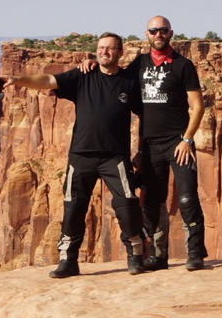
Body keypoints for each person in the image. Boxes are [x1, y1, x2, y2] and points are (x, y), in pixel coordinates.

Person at [0, 33, 145, 278]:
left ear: (119, 53)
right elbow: (48, 80)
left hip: (115, 157)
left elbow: (144, 118)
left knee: (127, 203)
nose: (104, 51)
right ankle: (68, 260)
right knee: (73, 207)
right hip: (81, 155)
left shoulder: (129, 82)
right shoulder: (82, 76)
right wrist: (17, 80)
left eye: (110, 48)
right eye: (100, 48)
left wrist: (141, 151)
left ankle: (135, 254)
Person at [82, 16, 208, 271]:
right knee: (152, 202)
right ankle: (159, 256)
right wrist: (93, 63)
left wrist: (187, 139)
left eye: (163, 30)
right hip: (150, 145)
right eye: (154, 30)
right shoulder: (139, 64)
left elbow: (197, 106)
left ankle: (195, 254)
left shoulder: (183, 66)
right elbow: (114, 75)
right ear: (147, 34)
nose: (158, 34)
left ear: (170, 33)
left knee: (186, 198)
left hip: (178, 143)